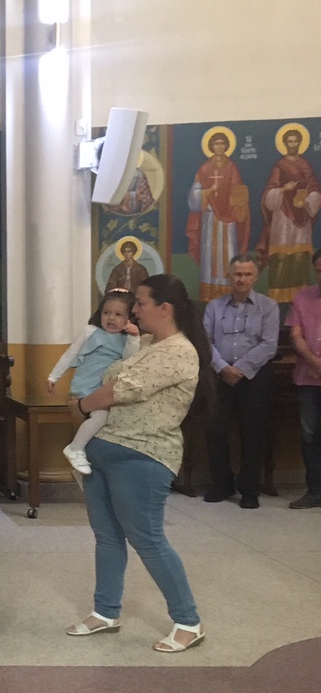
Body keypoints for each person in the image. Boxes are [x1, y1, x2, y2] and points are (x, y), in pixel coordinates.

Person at [65, 273, 209, 652]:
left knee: (148, 538)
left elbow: (120, 390)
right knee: (107, 536)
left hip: (142, 456)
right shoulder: (144, 343)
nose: (135, 311)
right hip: (104, 450)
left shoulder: (179, 351)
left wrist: (82, 406)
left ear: (165, 308)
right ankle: (105, 611)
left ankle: (188, 621)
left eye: (141, 303)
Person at [201, 253, 279, 509]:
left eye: (247, 274)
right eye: (237, 274)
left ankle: (249, 489)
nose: (242, 279)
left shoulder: (268, 306)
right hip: (219, 376)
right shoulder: (214, 307)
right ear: (229, 276)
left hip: (255, 377)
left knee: (253, 433)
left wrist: (241, 369)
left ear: (255, 277)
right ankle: (222, 484)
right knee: (215, 430)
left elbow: (269, 344)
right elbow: (205, 342)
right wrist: (223, 368)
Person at [47, 289, 141, 477]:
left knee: (106, 422)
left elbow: (129, 359)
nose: (111, 318)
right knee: (100, 417)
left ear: (129, 318)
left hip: (105, 388)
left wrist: (134, 337)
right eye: (106, 312)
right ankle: (75, 448)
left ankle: (85, 457)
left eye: (118, 314)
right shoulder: (90, 331)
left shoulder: (126, 339)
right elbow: (71, 353)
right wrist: (53, 376)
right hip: (86, 386)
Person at [259, 128, 321, 302]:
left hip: (302, 218)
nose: (293, 144)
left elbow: (315, 189)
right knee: (280, 256)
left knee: (301, 256)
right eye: (290, 141)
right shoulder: (280, 166)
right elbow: (269, 193)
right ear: (285, 144)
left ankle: (300, 296)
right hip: (283, 217)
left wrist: (306, 202)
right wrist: (283, 190)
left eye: (295, 141)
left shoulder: (306, 165)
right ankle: (277, 297)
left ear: (300, 143)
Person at [187, 131, 249, 302]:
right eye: (216, 143)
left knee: (228, 251)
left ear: (227, 146)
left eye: (222, 143)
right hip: (210, 218)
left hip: (229, 219)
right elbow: (194, 195)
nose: (219, 147)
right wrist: (208, 191)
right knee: (210, 254)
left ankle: (230, 290)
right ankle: (209, 292)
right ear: (211, 146)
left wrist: (236, 202)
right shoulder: (205, 169)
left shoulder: (232, 168)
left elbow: (238, 191)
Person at [285, 249, 321, 509]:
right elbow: (295, 335)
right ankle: (315, 491)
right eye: (319, 271)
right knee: (310, 436)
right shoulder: (302, 298)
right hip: (308, 379)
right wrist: (315, 362)